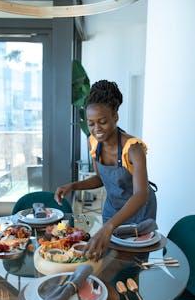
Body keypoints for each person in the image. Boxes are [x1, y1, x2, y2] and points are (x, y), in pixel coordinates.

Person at [55, 79, 157, 261]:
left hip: (139, 210)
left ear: (115, 117)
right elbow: (100, 179)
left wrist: (109, 226)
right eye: (91, 123)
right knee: (109, 259)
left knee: (135, 263)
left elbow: (140, 195)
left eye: (102, 122)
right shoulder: (94, 142)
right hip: (113, 207)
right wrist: (73, 185)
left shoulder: (133, 149)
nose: (96, 129)